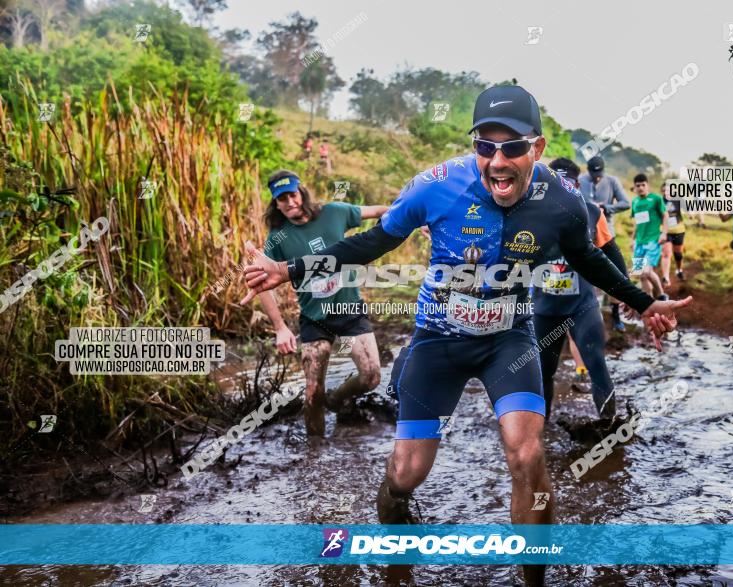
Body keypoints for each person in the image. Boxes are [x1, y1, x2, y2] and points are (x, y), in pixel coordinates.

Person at [241, 86, 690, 586]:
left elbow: (586, 257)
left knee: (527, 452)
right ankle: (396, 534)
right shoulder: (436, 186)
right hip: (438, 342)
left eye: (513, 147)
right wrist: (290, 268)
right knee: (407, 473)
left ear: (537, 149)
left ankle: (534, 579)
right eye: (485, 146)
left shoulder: (562, 202)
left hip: (509, 340)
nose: (497, 162)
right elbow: (372, 243)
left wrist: (646, 302)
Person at [253, 170, 388, 437]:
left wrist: (419, 220)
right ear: (276, 204)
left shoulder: (334, 213)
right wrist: (280, 327)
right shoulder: (278, 238)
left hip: (349, 310)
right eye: (282, 199)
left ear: (301, 192)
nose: (289, 202)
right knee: (313, 391)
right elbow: (260, 283)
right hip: (315, 319)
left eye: (292, 195)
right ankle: (315, 455)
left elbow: (382, 210)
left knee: (372, 376)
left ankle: (336, 401)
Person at [533, 157, 626, 420]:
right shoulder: (528, 212)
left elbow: (613, 256)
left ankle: (609, 433)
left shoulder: (593, 212)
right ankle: (540, 433)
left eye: (568, 184)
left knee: (596, 365)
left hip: (582, 306)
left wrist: (625, 293)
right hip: (543, 309)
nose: (562, 189)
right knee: (542, 372)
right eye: (555, 183)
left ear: (578, 184)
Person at [578, 155, 630, 331]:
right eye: (593, 173)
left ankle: (616, 316)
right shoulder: (580, 180)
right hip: (584, 235)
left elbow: (625, 203)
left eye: (599, 173)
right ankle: (588, 318)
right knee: (586, 278)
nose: (597, 177)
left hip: (607, 234)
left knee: (616, 275)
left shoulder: (612, 181)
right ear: (588, 170)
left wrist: (607, 207)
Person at [630, 174, 668, 300]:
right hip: (639, 243)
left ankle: (662, 295)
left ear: (648, 185)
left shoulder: (656, 199)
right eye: (638, 185)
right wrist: (632, 240)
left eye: (643, 185)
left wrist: (664, 233)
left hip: (652, 241)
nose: (640, 188)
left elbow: (665, 215)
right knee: (641, 275)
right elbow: (636, 222)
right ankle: (649, 303)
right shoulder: (635, 202)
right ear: (634, 187)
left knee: (646, 271)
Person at [659, 181, 687, 285]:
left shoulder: (679, 199)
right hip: (664, 231)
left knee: (678, 254)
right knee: (666, 253)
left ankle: (679, 270)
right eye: (665, 190)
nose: (667, 192)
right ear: (662, 191)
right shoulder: (659, 201)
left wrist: (691, 214)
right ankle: (665, 277)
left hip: (679, 230)